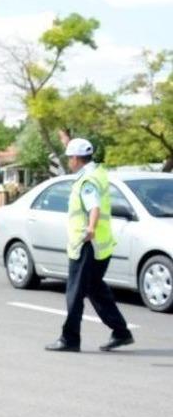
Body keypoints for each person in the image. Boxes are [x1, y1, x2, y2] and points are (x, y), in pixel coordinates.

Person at [45, 138, 135, 352]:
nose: (69, 162)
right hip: (100, 246)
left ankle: (70, 339)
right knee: (96, 289)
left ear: (76, 159)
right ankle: (121, 332)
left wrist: (91, 228)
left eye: (70, 158)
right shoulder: (99, 173)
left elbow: (93, 206)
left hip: (86, 245)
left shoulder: (86, 181)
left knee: (74, 293)